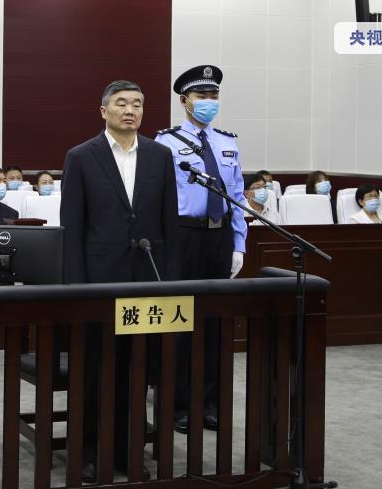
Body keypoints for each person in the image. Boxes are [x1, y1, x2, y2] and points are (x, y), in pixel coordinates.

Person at [61, 80, 179, 482]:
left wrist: (170, 282)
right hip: (98, 282)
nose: (130, 110)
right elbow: (72, 228)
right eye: (122, 103)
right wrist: (77, 288)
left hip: (146, 279)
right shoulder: (81, 156)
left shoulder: (160, 155)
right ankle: (89, 452)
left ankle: (130, 451)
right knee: (95, 370)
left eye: (138, 104)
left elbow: (169, 222)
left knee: (137, 369)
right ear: (104, 111)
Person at [154, 64, 247, 434]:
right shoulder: (166, 142)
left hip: (219, 237)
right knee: (180, 321)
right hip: (184, 236)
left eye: (214, 95)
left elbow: (237, 197)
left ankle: (210, 403)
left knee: (215, 323)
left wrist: (238, 243)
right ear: (185, 101)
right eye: (202, 96)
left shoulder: (227, 142)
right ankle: (177, 405)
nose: (209, 102)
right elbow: (159, 200)